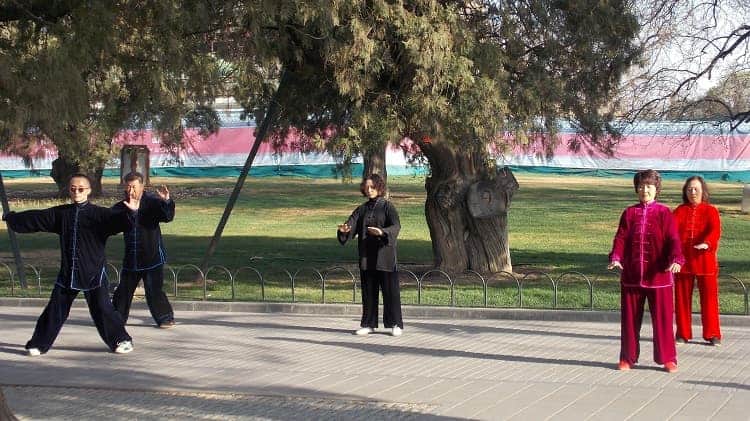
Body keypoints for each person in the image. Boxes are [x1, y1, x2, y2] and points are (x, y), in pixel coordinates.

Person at [2, 174, 134, 355]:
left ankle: (121, 340)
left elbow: (118, 222)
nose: (77, 192)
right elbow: (38, 218)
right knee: (55, 310)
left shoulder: (100, 215)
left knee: (103, 308)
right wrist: (12, 218)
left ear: (88, 191)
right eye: (73, 189)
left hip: (93, 273)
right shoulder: (62, 214)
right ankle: (38, 344)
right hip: (68, 274)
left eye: (81, 189)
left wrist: (131, 214)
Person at [608, 169, 684, 373]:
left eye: (649, 186)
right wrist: (616, 257)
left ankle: (668, 358)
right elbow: (621, 238)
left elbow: (673, 240)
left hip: (659, 276)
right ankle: (627, 357)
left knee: (663, 321)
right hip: (632, 277)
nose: (645, 190)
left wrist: (676, 258)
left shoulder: (664, 213)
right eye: (641, 186)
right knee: (630, 321)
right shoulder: (629, 213)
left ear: (656, 189)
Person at [337, 174, 404, 336]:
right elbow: (350, 225)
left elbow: (396, 226)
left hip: (385, 256)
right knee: (368, 291)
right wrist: (344, 230)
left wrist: (382, 231)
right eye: (366, 187)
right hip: (367, 257)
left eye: (372, 187)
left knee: (390, 291)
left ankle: (395, 324)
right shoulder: (361, 209)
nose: (369, 190)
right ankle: (368, 323)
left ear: (379, 188)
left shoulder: (388, 207)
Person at [111, 172, 176, 328]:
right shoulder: (122, 206)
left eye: (133, 186)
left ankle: (165, 318)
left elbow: (167, 216)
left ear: (142, 186)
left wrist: (167, 201)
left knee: (154, 290)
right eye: (128, 187)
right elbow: (109, 222)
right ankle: (115, 319)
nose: (130, 190)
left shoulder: (152, 203)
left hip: (152, 257)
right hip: (132, 258)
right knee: (123, 291)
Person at [673, 176, 722, 346]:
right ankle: (682, 333)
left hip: (705, 261)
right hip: (684, 262)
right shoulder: (679, 211)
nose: (692, 192)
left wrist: (707, 243)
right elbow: (671, 234)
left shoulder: (711, 211)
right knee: (681, 299)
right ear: (685, 192)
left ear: (703, 191)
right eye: (689, 189)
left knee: (709, 299)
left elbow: (715, 231)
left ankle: (713, 334)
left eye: (696, 189)